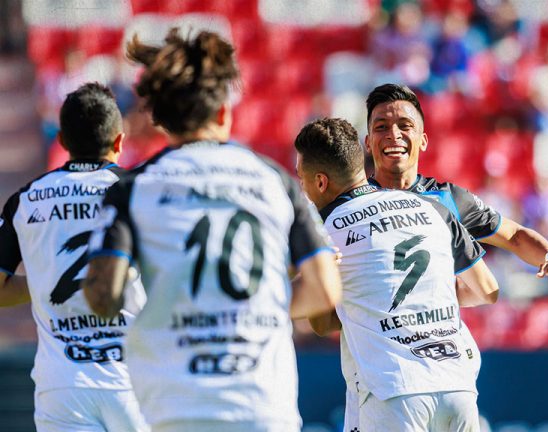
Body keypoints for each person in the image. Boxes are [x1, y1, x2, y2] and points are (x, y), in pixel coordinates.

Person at [82, 29, 342, 432]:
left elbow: (103, 297)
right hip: (263, 405)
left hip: (176, 406)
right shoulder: (274, 180)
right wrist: (255, 307)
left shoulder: (132, 189)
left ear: (161, 120)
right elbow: (325, 289)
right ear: (223, 112)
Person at [331, 82, 548, 432]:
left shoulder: (446, 200)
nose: (394, 135)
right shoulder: (348, 210)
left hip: (441, 377)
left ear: (423, 140)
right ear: (368, 142)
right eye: (381, 127)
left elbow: (513, 235)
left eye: (405, 125)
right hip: (380, 381)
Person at [295, 117, 499, 431]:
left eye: (301, 178)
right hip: (458, 386)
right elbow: (487, 289)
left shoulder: (326, 228)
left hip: (395, 392)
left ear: (320, 182)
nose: (302, 188)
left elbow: (322, 325)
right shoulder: (430, 207)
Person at [0, 83, 148, 431]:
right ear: (119, 141)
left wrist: (46, 278)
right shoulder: (141, 192)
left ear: (62, 141)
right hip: (135, 381)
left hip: (62, 385)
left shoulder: (26, 199)